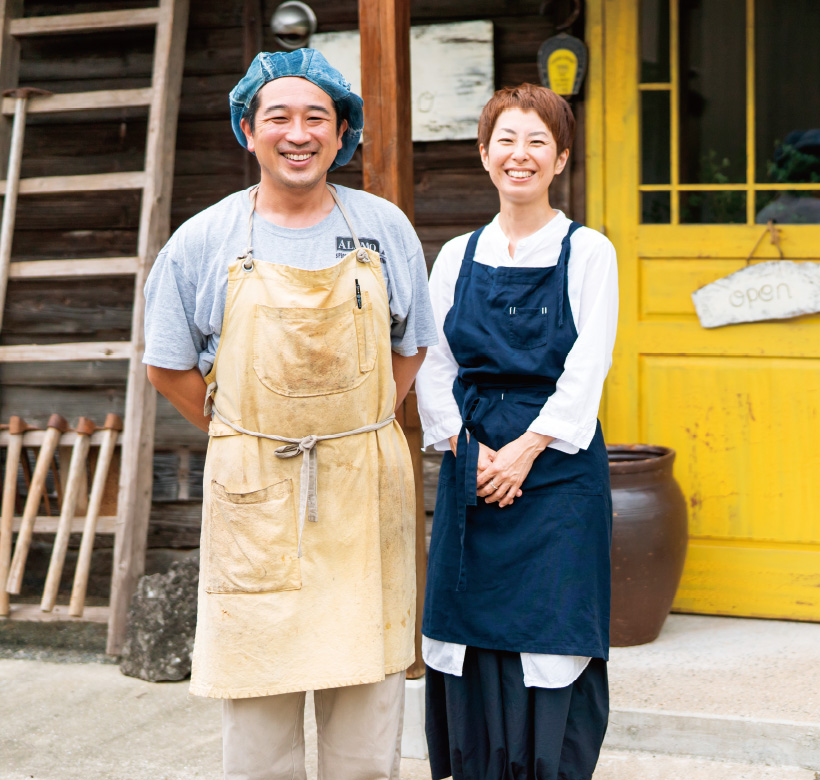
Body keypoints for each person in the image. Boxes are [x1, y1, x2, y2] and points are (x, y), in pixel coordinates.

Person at [143, 49, 437, 780]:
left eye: (318, 118)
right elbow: (167, 364)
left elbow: (413, 344)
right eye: (279, 116)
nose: (298, 133)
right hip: (255, 493)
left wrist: (361, 424)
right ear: (248, 130)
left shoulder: (384, 228)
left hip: (362, 491)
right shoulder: (204, 241)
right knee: (259, 700)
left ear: (343, 135)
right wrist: (242, 436)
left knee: (365, 702)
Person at [415, 83, 618, 780]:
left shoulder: (590, 252)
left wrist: (526, 450)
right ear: (483, 154)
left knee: (554, 633)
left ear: (561, 159)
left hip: (557, 470)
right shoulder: (454, 256)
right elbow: (431, 362)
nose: (520, 155)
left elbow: (589, 367)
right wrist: (465, 452)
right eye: (506, 140)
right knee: (466, 640)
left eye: (537, 141)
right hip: (471, 460)